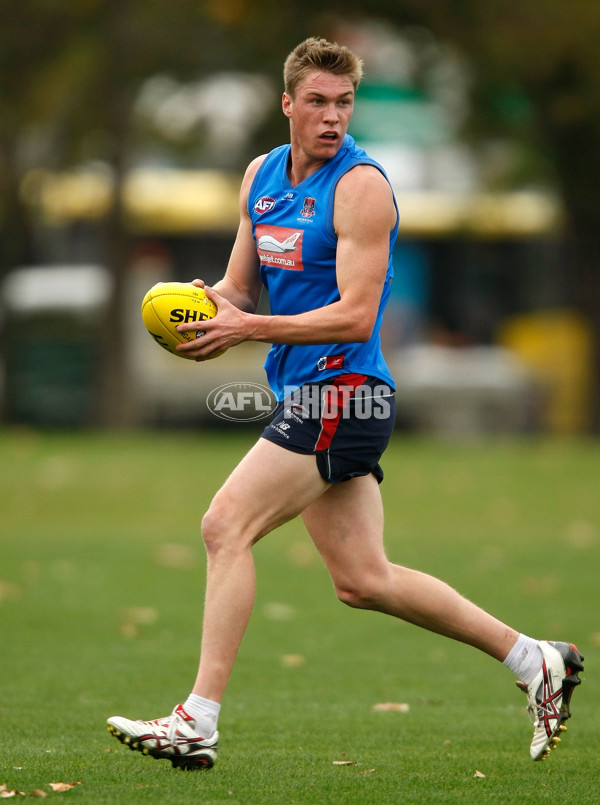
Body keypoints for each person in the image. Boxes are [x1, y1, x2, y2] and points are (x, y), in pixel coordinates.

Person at [107, 37, 583, 770]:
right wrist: (206, 310)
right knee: (364, 580)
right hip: (306, 391)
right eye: (319, 103)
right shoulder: (261, 176)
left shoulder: (362, 188)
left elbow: (357, 316)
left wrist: (249, 327)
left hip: (347, 391)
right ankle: (533, 658)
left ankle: (196, 718)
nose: (332, 118)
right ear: (289, 104)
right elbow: (240, 288)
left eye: (345, 103)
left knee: (222, 524)